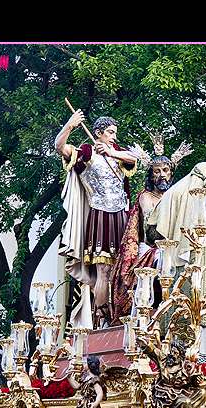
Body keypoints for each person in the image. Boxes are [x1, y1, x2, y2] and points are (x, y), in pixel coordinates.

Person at [145, 162, 206, 363]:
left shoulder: (178, 191)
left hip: (184, 255)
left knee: (186, 302)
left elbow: (153, 231)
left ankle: (180, 355)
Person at [56, 109, 137, 329]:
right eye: (110, 132)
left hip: (122, 215)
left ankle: (123, 312)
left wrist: (112, 153)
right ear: (98, 132)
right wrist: (70, 125)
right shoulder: (87, 152)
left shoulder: (118, 152)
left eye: (115, 133)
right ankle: (102, 319)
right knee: (104, 269)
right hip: (100, 215)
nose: (113, 137)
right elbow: (60, 147)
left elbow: (135, 158)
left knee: (126, 267)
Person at [108, 133, 192, 325]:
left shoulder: (176, 199)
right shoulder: (146, 197)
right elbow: (152, 226)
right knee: (165, 261)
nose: (162, 174)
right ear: (151, 174)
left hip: (173, 245)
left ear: (171, 173)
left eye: (166, 170)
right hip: (150, 246)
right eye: (157, 171)